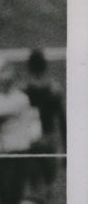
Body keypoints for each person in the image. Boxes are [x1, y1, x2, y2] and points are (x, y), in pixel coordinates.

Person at [0, 62, 42, 204]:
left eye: (8, 80)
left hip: (18, 150)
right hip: (2, 151)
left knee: (14, 191)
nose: (4, 83)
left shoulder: (21, 99)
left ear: (13, 81)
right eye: (2, 81)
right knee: (2, 193)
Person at [22, 47, 66, 194]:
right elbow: (62, 121)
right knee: (49, 184)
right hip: (49, 139)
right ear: (45, 67)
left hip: (31, 140)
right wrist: (66, 150)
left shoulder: (23, 91)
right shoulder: (54, 90)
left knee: (33, 185)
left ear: (29, 67)